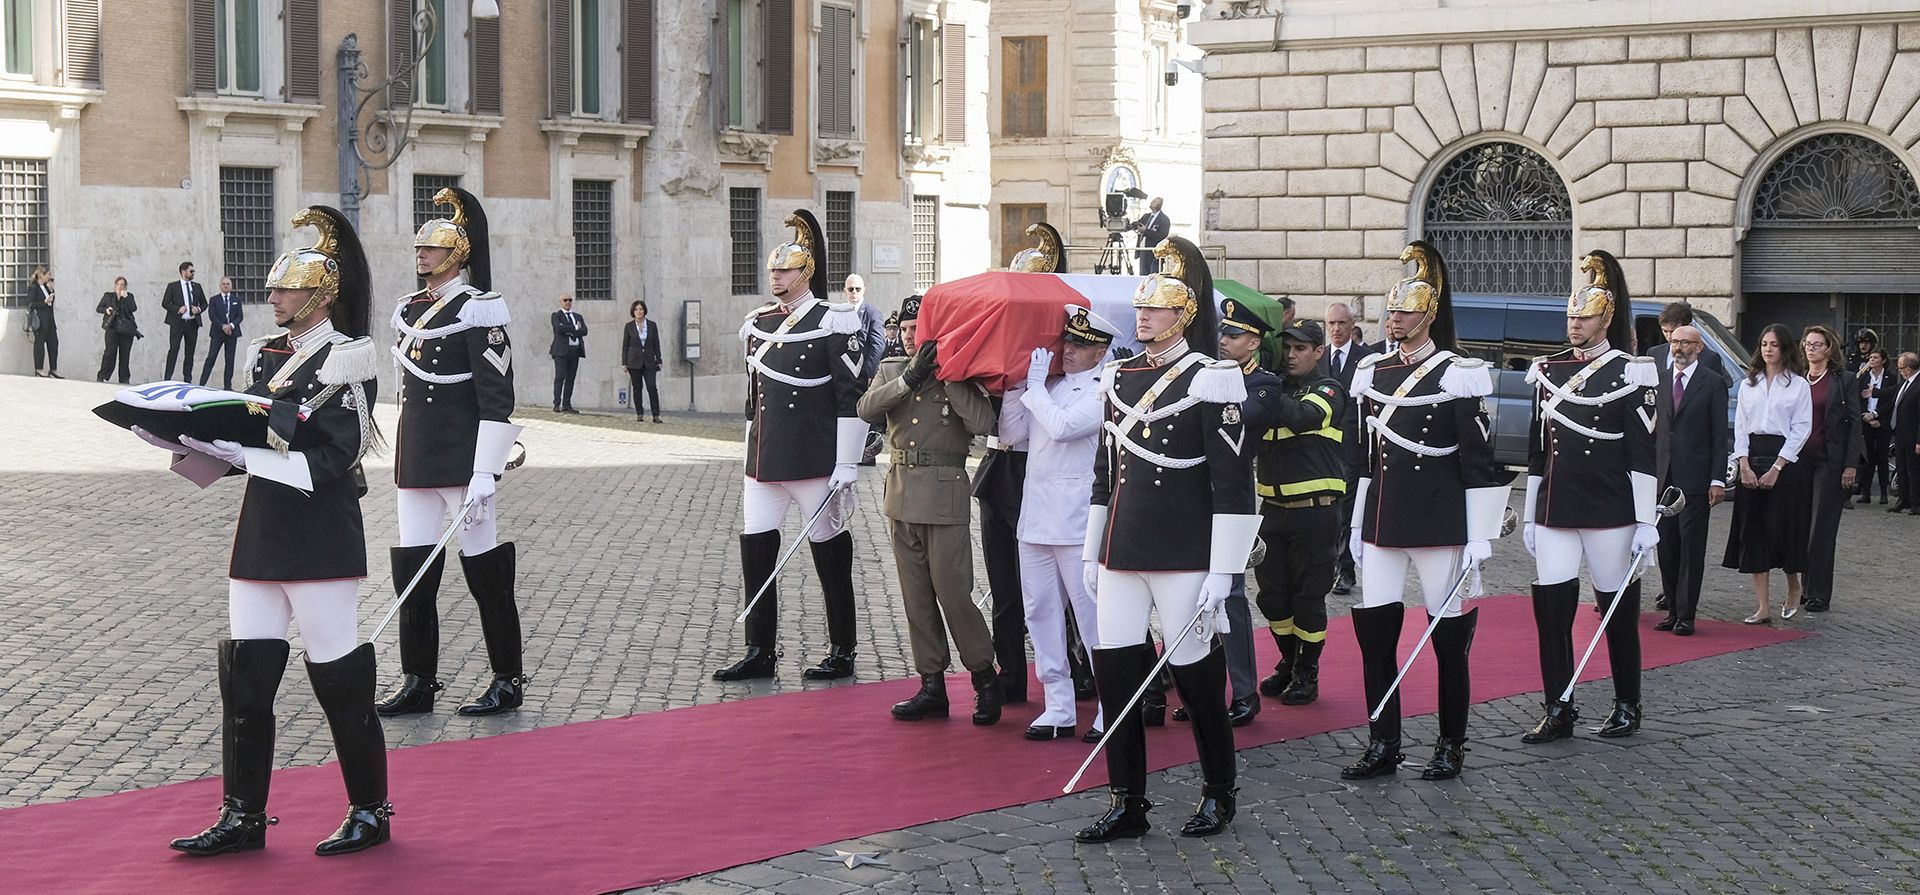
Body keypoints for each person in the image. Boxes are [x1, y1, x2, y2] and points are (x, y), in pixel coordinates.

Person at [141, 205, 392, 857]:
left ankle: (370, 808)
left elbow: (338, 456)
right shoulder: (266, 356)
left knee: (340, 679)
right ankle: (242, 815)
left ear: (321, 296)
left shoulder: (348, 358)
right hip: (261, 535)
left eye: (287, 289)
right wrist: (188, 443)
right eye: (276, 288)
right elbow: (250, 439)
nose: (274, 297)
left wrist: (248, 455)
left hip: (319, 541)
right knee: (246, 678)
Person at [1076, 237, 1257, 843]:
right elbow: (1105, 474)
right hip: (1123, 550)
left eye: (1157, 307)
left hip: (1183, 553)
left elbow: (1234, 485)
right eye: (1141, 307)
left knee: (1196, 678)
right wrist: (1092, 551)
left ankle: (1218, 792)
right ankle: (1128, 800)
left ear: (1184, 314)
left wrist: (1223, 571)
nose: (1143, 315)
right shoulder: (1118, 377)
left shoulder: (1212, 379)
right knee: (1118, 679)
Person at [1346, 241, 1505, 780]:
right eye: (1391, 310)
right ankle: (1382, 741)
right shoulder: (1373, 372)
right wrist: (1355, 522)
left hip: (1439, 523)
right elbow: (1364, 459)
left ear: (1429, 314)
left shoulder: (1455, 373)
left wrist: (1479, 534)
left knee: (1447, 637)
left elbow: (1479, 462)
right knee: (1376, 636)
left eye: (1406, 310)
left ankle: (1450, 742)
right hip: (1384, 521)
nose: (1395, 318)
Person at [376, 187, 527, 718]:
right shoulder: (409, 309)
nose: (421, 256)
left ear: (456, 255)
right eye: (419, 249)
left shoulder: (479, 309)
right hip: (416, 459)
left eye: (432, 249)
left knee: (485, 571)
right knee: (413, 571)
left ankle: (507, 677)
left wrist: (486, 469)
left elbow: (497, 395)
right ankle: (419, 678)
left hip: (465, 463)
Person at [713, 210, 870, 682]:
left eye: (784, 270)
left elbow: (852, 395)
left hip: (814, 460)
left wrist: (847, 461)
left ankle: (842, 647)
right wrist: (746, 452)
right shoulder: (759, 322)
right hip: (764, 460)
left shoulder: (833, 320)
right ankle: (760, 650)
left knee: (829, 554)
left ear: (806, 272)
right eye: (772, 270)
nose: (775, 276)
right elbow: (753, 398)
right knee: (756, 550)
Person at [1521, 250, 1659, 743]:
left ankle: (1627, 703)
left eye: (1585, 317)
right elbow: (1537, 450)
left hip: (1609, 509)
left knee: (1617, 608)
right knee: (1552, 610)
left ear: (1607, 319)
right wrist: (1532, 513)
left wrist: (1646, 520)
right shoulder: (1547, 371)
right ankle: (1558, 705)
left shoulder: (1631, 371)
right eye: (1571, 317)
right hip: (1558, 506)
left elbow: (1643, 454)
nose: (1575, 325)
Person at [857, 295, 1003, 723]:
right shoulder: (891, 370)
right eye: (903, 329)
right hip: (901, 494)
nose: (908, 336)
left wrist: (949, 375)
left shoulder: (958, 374)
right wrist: (909, 378)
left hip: (944, 496)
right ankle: (931, 684)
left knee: (954, 594)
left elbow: (982, 424)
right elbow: (865, 408)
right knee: (916, 597)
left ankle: (983, 676)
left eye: (916, 329)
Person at [1000, 304, 1118, 740]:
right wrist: (1015, 389)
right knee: (1040, 612)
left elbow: (1067, 427)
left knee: (1091, 616)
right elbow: (1013, 436)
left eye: (1080, 344)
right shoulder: (1046, 386)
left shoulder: (1103, 389)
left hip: (1075, 522)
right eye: (1067, 341)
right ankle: (1058, 705)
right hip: (1035, 518)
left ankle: (1111, 702)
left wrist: (1033, 389)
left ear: (1101, 350)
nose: (1068, 350)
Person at [974, 222, 1069, 706]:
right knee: (1004, 584)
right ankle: (1010, 671)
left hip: (1043, 471)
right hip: (1000, 466)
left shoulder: (1062, 357)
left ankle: (1078, 666)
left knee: (1061, 581)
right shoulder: (998, 350)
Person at [1179, 299, 1286, 728]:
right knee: (1187, 592)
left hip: (1234, 500)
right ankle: (1197, 687)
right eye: (1222, 333)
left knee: (1233, 598)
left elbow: (1235, 420)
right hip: (1191, 495)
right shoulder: (1203, 377)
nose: (1223, 341)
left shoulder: (1264, 384)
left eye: (1233, 335)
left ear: (1254, 341)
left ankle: (1244, 692)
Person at [1241, 314, 1345, 719]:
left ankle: (1307, 671)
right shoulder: (1272, 388)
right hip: (1272, 513)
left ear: (1318, 352)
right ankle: (1288, 660)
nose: (1291, 355)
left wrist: (1262, 388)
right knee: (1271, 597)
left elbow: (1302, 418)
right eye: (1286, 347)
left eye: (1300, 348)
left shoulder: (1329, 389)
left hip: (1316, 514)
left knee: (1308, 597)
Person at [1722, 324, 1814, 622]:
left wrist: (1777, 466)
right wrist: (1744, 464)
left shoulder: (1798, 385)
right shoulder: (1750, 384)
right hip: (1752, 455)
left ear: (1784, 348)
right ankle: (1763, 606)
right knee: (1755, 531)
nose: (1768, 349)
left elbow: (1802, 429)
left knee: (1784, 529)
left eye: (1774, 344)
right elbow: (1740, 426)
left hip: (1786, 461)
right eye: (1763, 344)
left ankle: (1793, 584)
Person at [1654, 325, 1729, 636]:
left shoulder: (1712, 384)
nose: (1678, 348)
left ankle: (1687, 614)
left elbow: (1719, 436)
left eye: (1685, 343)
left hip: (1695, 478)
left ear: (1699, 348)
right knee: (1667, 547)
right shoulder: (1657, 380)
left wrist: (1717, 479)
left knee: (1691, 547)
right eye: (1674, 342)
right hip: (1662, 477)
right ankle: (1671, 608)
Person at [1797, 326, 1862, 614]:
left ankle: (1819, 592)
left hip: (1829, 461)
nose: (1811, 348)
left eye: (1817, 344)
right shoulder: (1797, 380)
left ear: (1828, 349)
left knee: (1821, 529)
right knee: (1800, 527)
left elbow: (1854, 424)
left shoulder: (1843, 380)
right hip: (1799, 462)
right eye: (1808, 344)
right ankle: (1804, 587)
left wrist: (1850, 464)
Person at [1324, 301, 1377, 595]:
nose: (1336, 329)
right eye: (1331, 324)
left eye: (1341, 324)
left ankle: (1345, 571)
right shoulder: (1319, 357)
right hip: (1322, 449)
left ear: (1352, 325)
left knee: (1346, 511)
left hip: (1352, 449)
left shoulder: (1367, 359)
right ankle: (1326, 567)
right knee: (1327, 512)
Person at [1648, 301, 1727, 380]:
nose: (1669, 337)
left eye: (1674, 331)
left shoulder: (1709, 357)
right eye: (1665, 331)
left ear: (1689, 327)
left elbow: (1715, 387)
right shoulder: (1654, 353)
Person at [161, 260, 209, 381]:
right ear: (183, 272)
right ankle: (167, 378)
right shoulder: (173, 286)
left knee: (190, 352)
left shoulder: (196, 286)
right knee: (174, 349)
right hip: (178, 323)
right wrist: (178, 309)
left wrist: (198, 309)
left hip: (192, 323)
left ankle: (187, 378)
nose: (193, 273)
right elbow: (165, 303)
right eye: (191, 271)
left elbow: (204, 303)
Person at [1858, 348, 1893, 504]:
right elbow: (1858, 399)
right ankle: (1866, 492)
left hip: (1882, 422)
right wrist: (1865, 415)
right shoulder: (1864, 377)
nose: (1872, 360)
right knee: (1868, 458)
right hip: (1866, 421)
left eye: (1876, 357)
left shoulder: (1890, 378)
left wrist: (1876, 415)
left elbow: (1892, 400)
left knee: (1882, 457)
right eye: (1870, 357)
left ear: (1883, 360)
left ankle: (1884, 493)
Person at [1887, 351, 1920, 515]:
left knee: (1914, 470)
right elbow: (1895, 403)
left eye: (1901, 368)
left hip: (1913, 435)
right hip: (1900, 434)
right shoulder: (1905, 383)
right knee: (1901, 468)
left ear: (1908, 368)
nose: (1900, 371)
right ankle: (1903, 499)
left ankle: (1916, 503)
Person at [621, 299, 664, 423]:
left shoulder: (652, 325)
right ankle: (639, 413)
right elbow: (625, 346)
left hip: (650, 361)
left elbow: (656, 343)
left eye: (641, 309)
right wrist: (624, 362)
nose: (639, 311)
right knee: (637, 388)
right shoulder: (629, 326)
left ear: (644, 310)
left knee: (651, 386)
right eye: (636, 309)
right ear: (633, 312)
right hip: (634, 361)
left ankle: (656, 414)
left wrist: (659, 359)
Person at [199, 277, 246, 389]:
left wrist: (231, 326)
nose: (226, 286)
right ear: (220, 286)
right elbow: (212, 315)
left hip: (232, 333)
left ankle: (227, 386)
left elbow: (240, 316)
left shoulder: (236, 300)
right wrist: (223, 326)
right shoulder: (214, 300)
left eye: (228, 284)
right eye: (223, 284)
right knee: (211, 357)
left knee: (230, 360)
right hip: (217, 333)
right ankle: (202, 384)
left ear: (231, 286)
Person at [96, 277, 139, 384]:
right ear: (115, 285)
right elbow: (99, 308)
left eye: (122, 285)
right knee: (110, 352)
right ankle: (102, 375)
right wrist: (107, 310)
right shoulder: (108, 296)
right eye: (118, 284)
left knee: (125, 354)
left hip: (126, 330)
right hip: (112, 328)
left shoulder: (129, 296)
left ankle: (124, 378)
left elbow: (133, 308)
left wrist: (126, 297)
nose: (120, 287)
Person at [549, 293, 587, 413]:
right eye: (565, 300)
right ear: (560, 302)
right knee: (560, 377)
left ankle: (567, 404)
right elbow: (559, 329)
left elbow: (584, 331)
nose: (568, 302)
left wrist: (569, 330)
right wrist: (574, 329)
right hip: (561, 351)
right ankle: (556, 403)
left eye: (570, 300)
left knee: (571, 378)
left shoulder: (577, 316)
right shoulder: (556, 315)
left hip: (574, 350)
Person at [845, 274, 886, 382]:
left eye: (857, 289)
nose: (854, 292)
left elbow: (878, 346)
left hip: (863, 372)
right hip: (844, 372)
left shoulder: (872, 313)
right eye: (850, 289)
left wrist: (867, 373)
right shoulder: (841, 313)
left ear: (864, 290)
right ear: (845, 290)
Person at [26, 266, 60, 378]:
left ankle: (53, 369)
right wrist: (44, 302)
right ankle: (39, 369)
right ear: (41, 275)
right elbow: (31, 304)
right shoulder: (33, 287)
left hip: (50, 320)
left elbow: (51, 303)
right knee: (40, 344)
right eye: (47, 275)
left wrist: (51, 291)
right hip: (40, 321)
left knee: (54, 343)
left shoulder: (46, 286)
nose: (49, 277)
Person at [1131, 197, 1170, 275]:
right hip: (1143, 250)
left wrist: (1145, 231)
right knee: (1143, 275)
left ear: (1159, 205)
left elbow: (1161, 236)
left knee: (1153, 275)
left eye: (1155, 201)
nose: (1152, 202)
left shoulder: (1164, 219)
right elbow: (1138, 224)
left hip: (1153, 253)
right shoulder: (1146, 216)